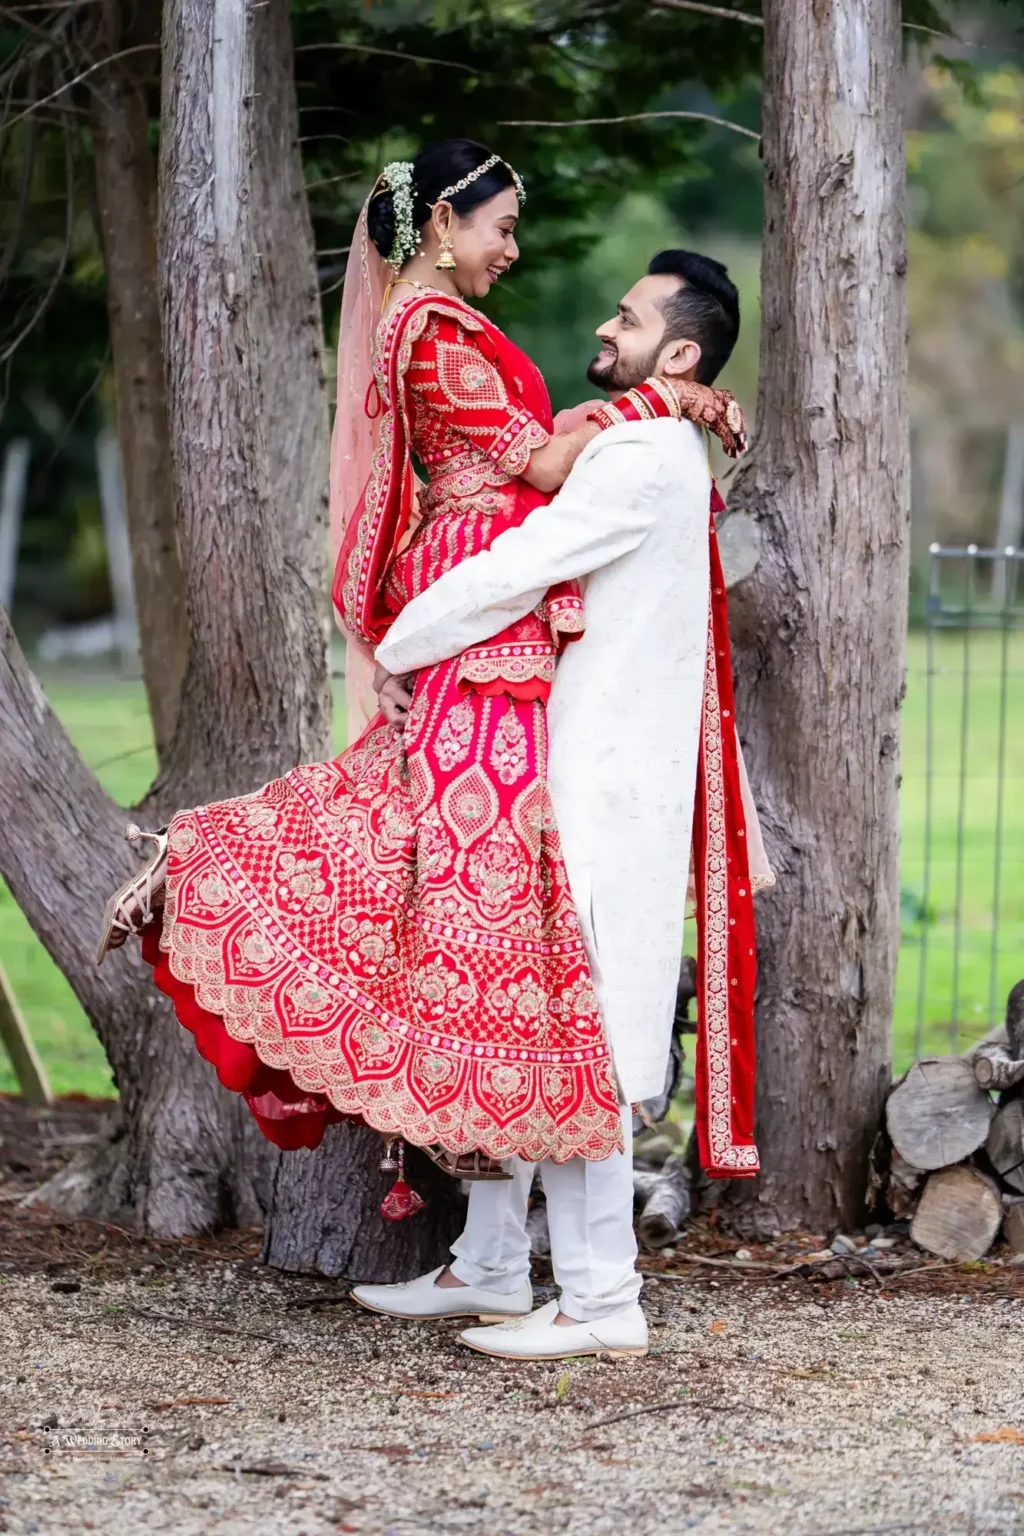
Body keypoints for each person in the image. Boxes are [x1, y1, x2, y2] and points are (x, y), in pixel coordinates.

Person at [93, 140, 749, 1201]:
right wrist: (667, 403)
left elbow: (538, 447)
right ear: (443, 224)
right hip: (479, 586)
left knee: (447, 851)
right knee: (462, 858)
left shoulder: (439, 325)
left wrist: (666, 406)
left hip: (493, 585)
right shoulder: (434, 329)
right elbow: (536, 464)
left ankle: (487, 1186)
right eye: (500, 228)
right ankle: (213, 872)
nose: (513, 249)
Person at [350, 250, 774, 1361]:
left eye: (628, 318)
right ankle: (492, 1265)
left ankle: (601, 1299)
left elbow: (522, 564)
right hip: (574, 765)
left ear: (677, 354)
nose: (605, 323)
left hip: (607, 781)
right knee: (529, 1016)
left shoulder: (641, 456)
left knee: (583, 1034)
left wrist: (393, 646)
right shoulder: (649, 436)